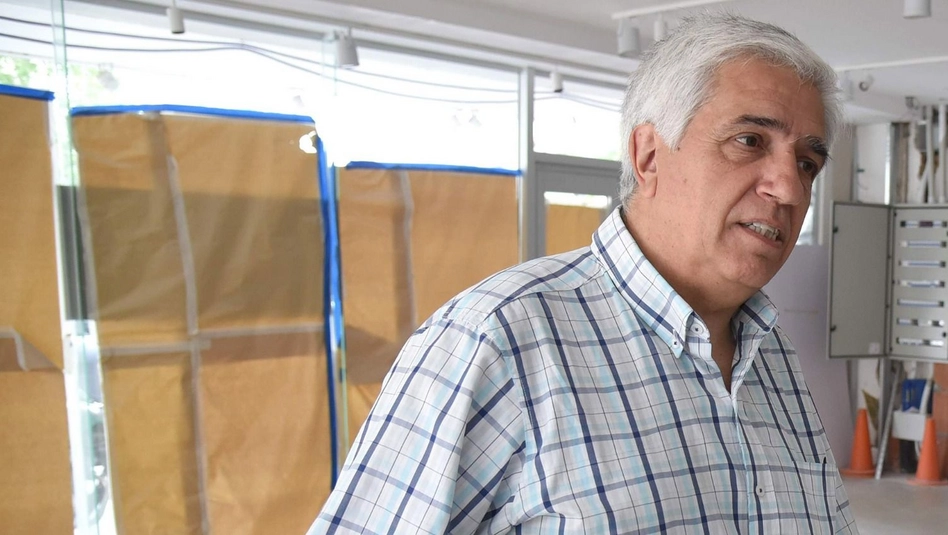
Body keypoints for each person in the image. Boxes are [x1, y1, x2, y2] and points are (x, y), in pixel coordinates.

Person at [309, 12, 857, 534]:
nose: (789, 188)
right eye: (749, 141)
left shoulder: (770, 353)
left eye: (807, 164)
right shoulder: (498, 341)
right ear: (648, 156)